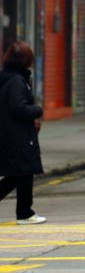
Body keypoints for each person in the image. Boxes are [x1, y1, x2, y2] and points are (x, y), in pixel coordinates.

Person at [0, 41, 46, 225]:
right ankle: (25, 213)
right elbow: (18, 107)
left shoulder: (7, 78)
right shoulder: (17, 81)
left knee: (19, 174)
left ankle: (25, 212)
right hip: (17, 136)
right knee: (22, 172)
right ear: (26, 60)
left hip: (11, 134)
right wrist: (37, 110)